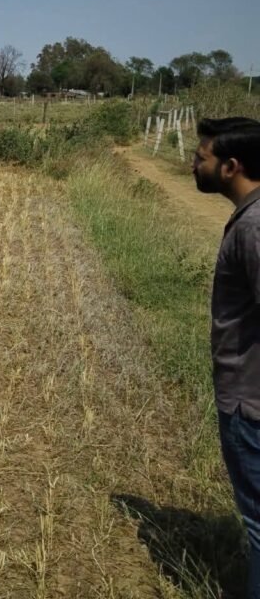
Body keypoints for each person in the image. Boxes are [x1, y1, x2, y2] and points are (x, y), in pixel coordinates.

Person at [192, 116, 260, 597]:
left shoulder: (254, 228)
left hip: (251, 404)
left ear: (230, 166)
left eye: (202, 158)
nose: (194, 164)